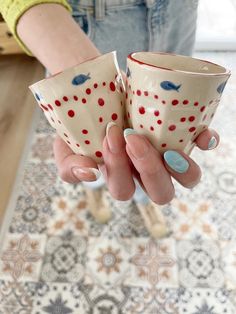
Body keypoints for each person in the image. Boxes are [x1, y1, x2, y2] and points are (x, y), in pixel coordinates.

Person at [0, 0, 219, 235]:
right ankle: (93, 184)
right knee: (99, 147)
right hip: (93, 16)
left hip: (179, 11)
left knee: (154, 148)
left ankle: (143, 199)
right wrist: (80, 70)